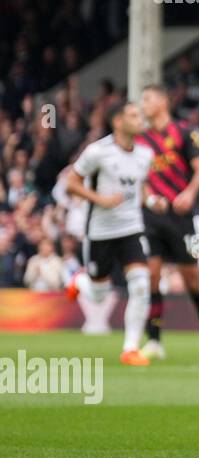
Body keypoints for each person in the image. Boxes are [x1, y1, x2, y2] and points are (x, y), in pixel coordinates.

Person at [136, 84, 199, 360]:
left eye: (147, 99)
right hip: (151, 217)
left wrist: (189, 193)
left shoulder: (186, 133)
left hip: (185, 219)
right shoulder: (140, 140)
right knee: (151, 274)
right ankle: (154, 340)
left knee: (193, 278)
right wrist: (149, 198)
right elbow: (139, 179)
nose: (143, 104)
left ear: (163, 102)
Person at [65, 101, 155, 366]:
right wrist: (99, 199)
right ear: (118, 122)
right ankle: (80, 281)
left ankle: (130, 349)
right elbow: (71, 182)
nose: (140, 119)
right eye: (133, 115)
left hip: (131, 228)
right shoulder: (97, 152)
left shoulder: (145, 154)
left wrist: (151, 202)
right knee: (98, 294)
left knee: (141, 285)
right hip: (101, 231)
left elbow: (142, 188)